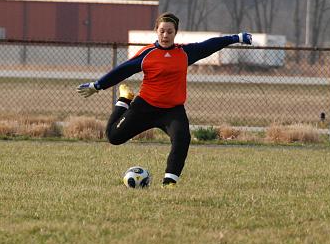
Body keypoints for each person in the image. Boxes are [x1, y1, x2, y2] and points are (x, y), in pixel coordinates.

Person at [76, 13, 252, 188]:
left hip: (172, 111)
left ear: (175, 33)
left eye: (169, 32)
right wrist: (97, 85)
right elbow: (122, 70)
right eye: (162, 31)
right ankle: (124, 99)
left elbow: (210, 45)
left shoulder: (185, 53)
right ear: (156, 31)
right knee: (114, 138)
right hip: (144, 107)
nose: (165, 35)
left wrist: (236, 37)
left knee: (182, 138)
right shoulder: (147, 54)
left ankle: (169, 183)